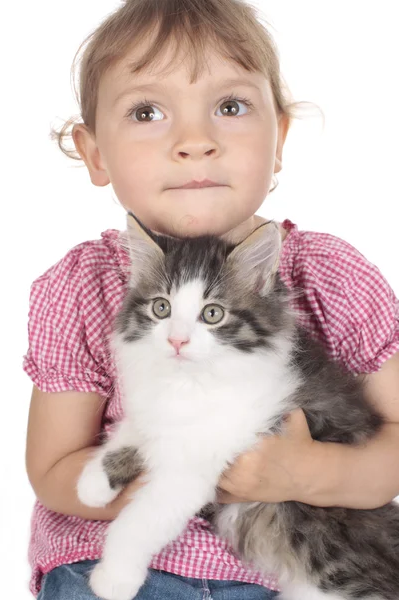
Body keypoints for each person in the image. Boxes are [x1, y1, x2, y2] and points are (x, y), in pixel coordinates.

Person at [23, 0, 399, 599]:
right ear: (95, 153)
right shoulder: (80, 286)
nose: (195, 142)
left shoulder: (331, 275)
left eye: (230, 106)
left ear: (279, 139)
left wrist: (305, 471)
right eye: (147, 111)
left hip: (283, 570)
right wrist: (178, 473)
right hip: (113, 564)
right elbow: (52, 471)